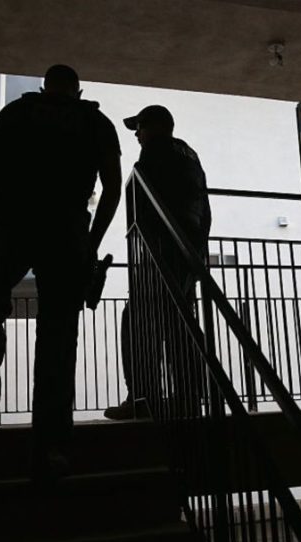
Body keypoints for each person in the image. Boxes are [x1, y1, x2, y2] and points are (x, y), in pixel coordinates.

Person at [0, 65, 122, 476]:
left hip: (11, 225)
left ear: (44, 86)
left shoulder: (19, 112)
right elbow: (113, 188)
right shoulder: (95, 121)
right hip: (65, 232)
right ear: (79, 90)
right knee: (59, 334)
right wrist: (92, 242)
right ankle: (52, 443)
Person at [105, 105, 211, 420]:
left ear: (153, 126)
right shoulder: (190, 155)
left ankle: (143, 397)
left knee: (137, 321)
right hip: (187, 253)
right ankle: (188, 397)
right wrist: (197, 254)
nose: (137, 134)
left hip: (161, 254)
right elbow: (204, 209)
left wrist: (145, 249)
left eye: (139, 127)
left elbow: (146, 208)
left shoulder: (155, 152)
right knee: (180, 324)